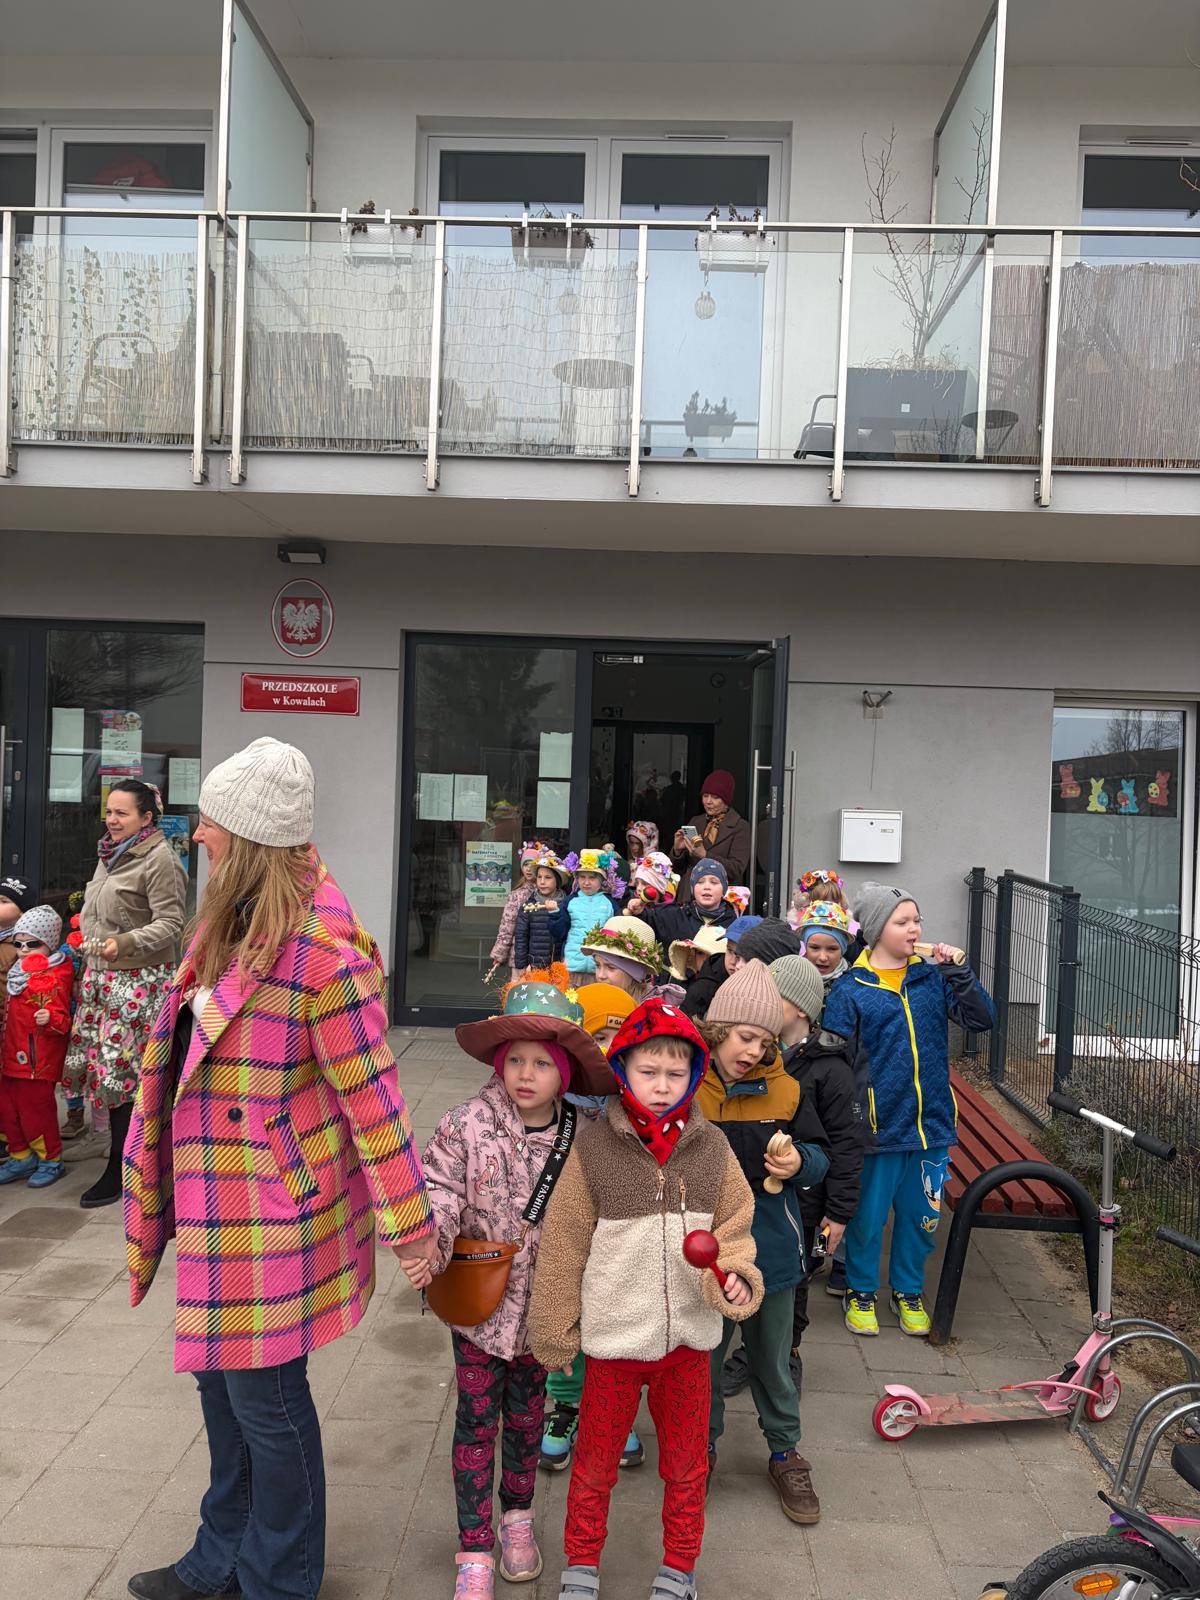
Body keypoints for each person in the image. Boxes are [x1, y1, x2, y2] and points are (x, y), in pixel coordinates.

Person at [123, 737, 437, 1600]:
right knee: (221, 1390)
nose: (197, 835)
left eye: (210, 823)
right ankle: (221, 1555)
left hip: (271, 1204)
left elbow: (376, 1101)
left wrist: (413, 1229)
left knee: (264, 1399)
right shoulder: (226, 923)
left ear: (250, 838)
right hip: (213, 1191)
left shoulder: (324, 955)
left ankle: (281, 1579)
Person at [529, 997, 763, 1600]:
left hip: (688, 1346)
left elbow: (736, 1229)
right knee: (594, 1464)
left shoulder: (713, 1149)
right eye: (648, 1071)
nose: (662, 1087)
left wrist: (736, 1276)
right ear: (622, 1070)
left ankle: (679, 1569)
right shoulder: (592, 1150)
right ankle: (581, 1565)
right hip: (613, 1344)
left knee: (686, 1467)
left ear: (695, 1074)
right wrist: (554, 1329)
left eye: (676, 1073)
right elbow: (563, 1243)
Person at [410, 979, 616, 1599]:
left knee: (527, 1420)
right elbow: (439, 1189)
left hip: (546, 1308)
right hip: (479, 1307)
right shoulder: (465, 1124)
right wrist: (429, 1245)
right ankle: (474, 1547)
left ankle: (517, 1519)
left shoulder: (587, 1133)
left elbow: (602, 1213)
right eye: (516, 1060)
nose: (526, 1074)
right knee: (476, 1424)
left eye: (542, 1064)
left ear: (565, 1072)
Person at [822, 882, 996, 1339]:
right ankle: (861, 1290)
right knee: (867, 1219)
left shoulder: (931, 979)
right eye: (903, 921)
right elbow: (834, 1061)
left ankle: (908, 1291)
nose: (915, 928)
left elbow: (982, 1019)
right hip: (876, 1130)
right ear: (877, 929)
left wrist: (958, 972)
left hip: (931, 1126)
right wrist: (846, 1120)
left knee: (923, 1218)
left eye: (917, 920)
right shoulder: (851, 989)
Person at [695, 961, 829, 1525]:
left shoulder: (788, 1091)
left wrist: (800, 1163)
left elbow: (821, 1156)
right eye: (745, 1037)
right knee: (702, 1364)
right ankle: (699, 1449)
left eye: (765, 1041)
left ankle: (785, 1451)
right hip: (704, 1256)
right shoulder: (687, 1084)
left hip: (770, 1253)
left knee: (772, 1361)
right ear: (718, 1030)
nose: (753, 1051)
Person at [64, 778, 186, 1209]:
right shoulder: (110, 854)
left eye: (122, 813)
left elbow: (172, 923)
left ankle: (123, 1167)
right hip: (101, 979)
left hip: (137, 982)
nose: (112, 820)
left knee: (122, 1076)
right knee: (105, 1073)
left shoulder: (160, 859)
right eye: (109, 812)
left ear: (146, 817)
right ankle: (131, 1156)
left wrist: (126, 943)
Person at [539, 981, 646, 1474]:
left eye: (616, 1039)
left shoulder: (641, 1102)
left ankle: (614, 1414)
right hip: (566, 1234)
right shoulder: (557, 1103)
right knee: (567, 1319)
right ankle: (564, 1405)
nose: (606, 1050)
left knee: (615, 1330)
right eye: (596, 1038)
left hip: (621, 1239)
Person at [770, 955, 863, 1354]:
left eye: (773, 996)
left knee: (800, 1274)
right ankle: (757, 1350)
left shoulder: (831, 1071)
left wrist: (838, 1214)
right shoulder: (760, 1053)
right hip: (767, 1194)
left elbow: (847, 1145)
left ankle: (788, 1352)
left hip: (810, 1205)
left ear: (801, 1010)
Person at [0, 906, 74, 1188]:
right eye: (18, 944)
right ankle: (20, 1155)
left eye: (32, 944)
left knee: (36, 1112)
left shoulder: (56, 974)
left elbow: (63, 1022)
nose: (23, 950)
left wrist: (50, 1018)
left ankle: (50, 1159)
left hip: (36, 1061)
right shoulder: (16, 972)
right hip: (10, 1054)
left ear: (49, 943)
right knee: (7, 1109)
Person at [671, 771, 751, 903]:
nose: (708, 802)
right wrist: (677, 851)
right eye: (705, 796)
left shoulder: (739, 826)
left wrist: (705, 855)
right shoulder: (696, 821)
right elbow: (676, 869)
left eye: (715, 797)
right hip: (689, 897)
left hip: (721, 900)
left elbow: (736, 869)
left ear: (726, 800)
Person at [629, 858, 737, 948]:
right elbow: (647, 922)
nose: (707, 887)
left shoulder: (734, 925)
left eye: (714, 882)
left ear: (724, 889)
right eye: (700, 882)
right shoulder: (674, 914)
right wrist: (639, 912)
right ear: (692, 888)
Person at [580, 914, 680, 1005]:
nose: (600, 975)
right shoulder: (592, 1000)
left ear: (634, 973)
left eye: (611, 967)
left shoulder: (652, 1011)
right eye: (597, 965)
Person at [486, 842, 545, 986]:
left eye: (532, 865)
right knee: (519, 990)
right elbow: (507, 926)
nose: (528, 869)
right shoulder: (516, 895)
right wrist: (500, 953)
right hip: (519, 953)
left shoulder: (548, 893)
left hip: (542, 952)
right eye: (525, 865)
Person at [562, 850, 620, 986]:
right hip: (572, 966)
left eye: (592, 878)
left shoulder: (610, 903)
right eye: (582, 877)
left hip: (599, 969)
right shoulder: (570, 901)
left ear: (602, 880)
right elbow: (560, 933)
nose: (586, 882)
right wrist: (554, 915)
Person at [512, 853, 571, 976]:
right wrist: (521, 965)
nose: (542, 882)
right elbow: (521, 937)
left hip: (560, 967)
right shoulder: (529, 906)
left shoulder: (566, 905)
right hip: (535, 967)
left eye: (548, 877)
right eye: (539, 877)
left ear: (557, 881)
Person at [798, 900, 853, 991]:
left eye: (832, 949)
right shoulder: (793, 978)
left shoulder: (853, 987)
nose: (823, 958)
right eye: (815, 948)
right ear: (806, 947)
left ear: (843, 950)